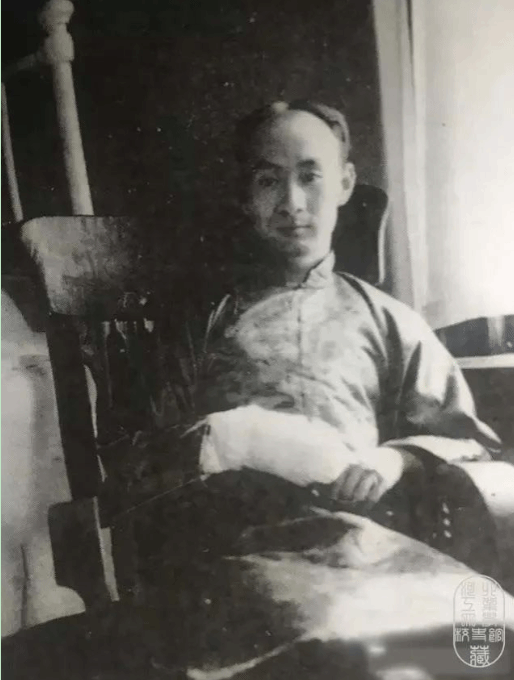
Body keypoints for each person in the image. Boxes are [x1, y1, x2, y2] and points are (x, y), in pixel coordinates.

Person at [173, 100, 500, 510]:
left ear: (345, 183)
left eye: (310, 177)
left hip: (367, 536)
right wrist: (234, 439)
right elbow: (134, 459)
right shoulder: (201, 324)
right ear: (245, 196)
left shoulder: (389, 322)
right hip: (234, 537)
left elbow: (468, 443)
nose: (292, 202)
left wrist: (394, 460)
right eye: (268, 181)